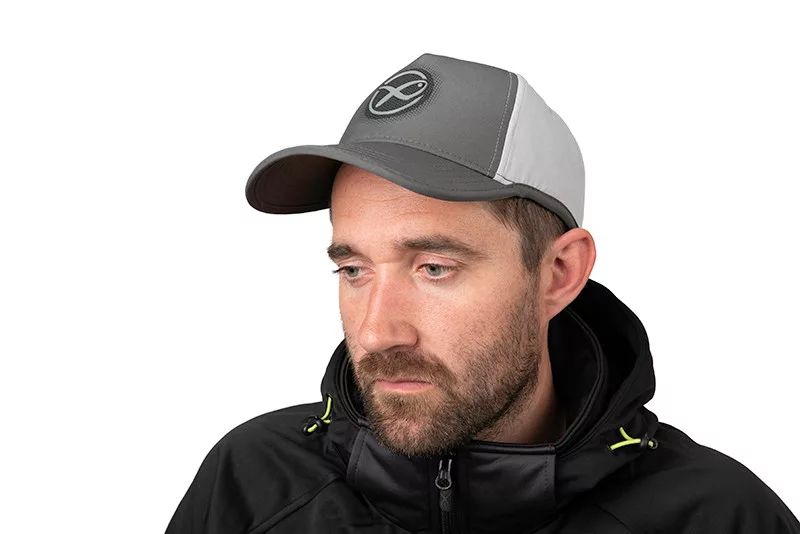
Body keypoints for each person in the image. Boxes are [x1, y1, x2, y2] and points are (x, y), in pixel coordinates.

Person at [165, 53, 799, 533]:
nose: (378, 332)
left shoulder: (717, 516)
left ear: (559, 273)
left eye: (434, 267)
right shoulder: (254, 481)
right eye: (354, 270)